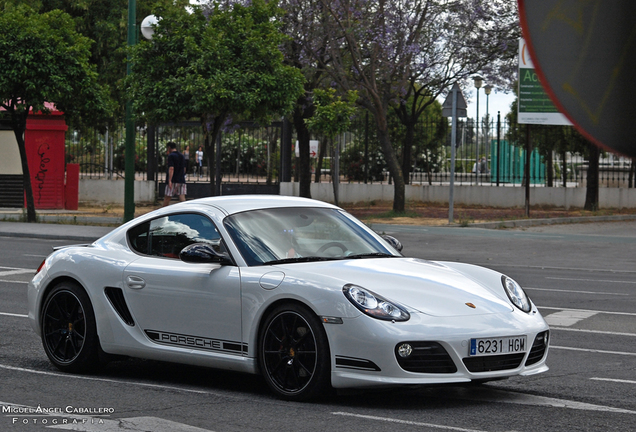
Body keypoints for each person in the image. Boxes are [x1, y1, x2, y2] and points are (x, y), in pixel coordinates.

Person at [163, 142, 186, 206]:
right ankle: (185, 211)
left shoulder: (171, 156)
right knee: (182, 198)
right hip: (181, 180)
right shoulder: (182, 155)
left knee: (167, 198)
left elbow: (171, 168)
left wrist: (169, 180)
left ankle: (163, 212)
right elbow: (184, 168)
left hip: (173, 180)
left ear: (169, 148)